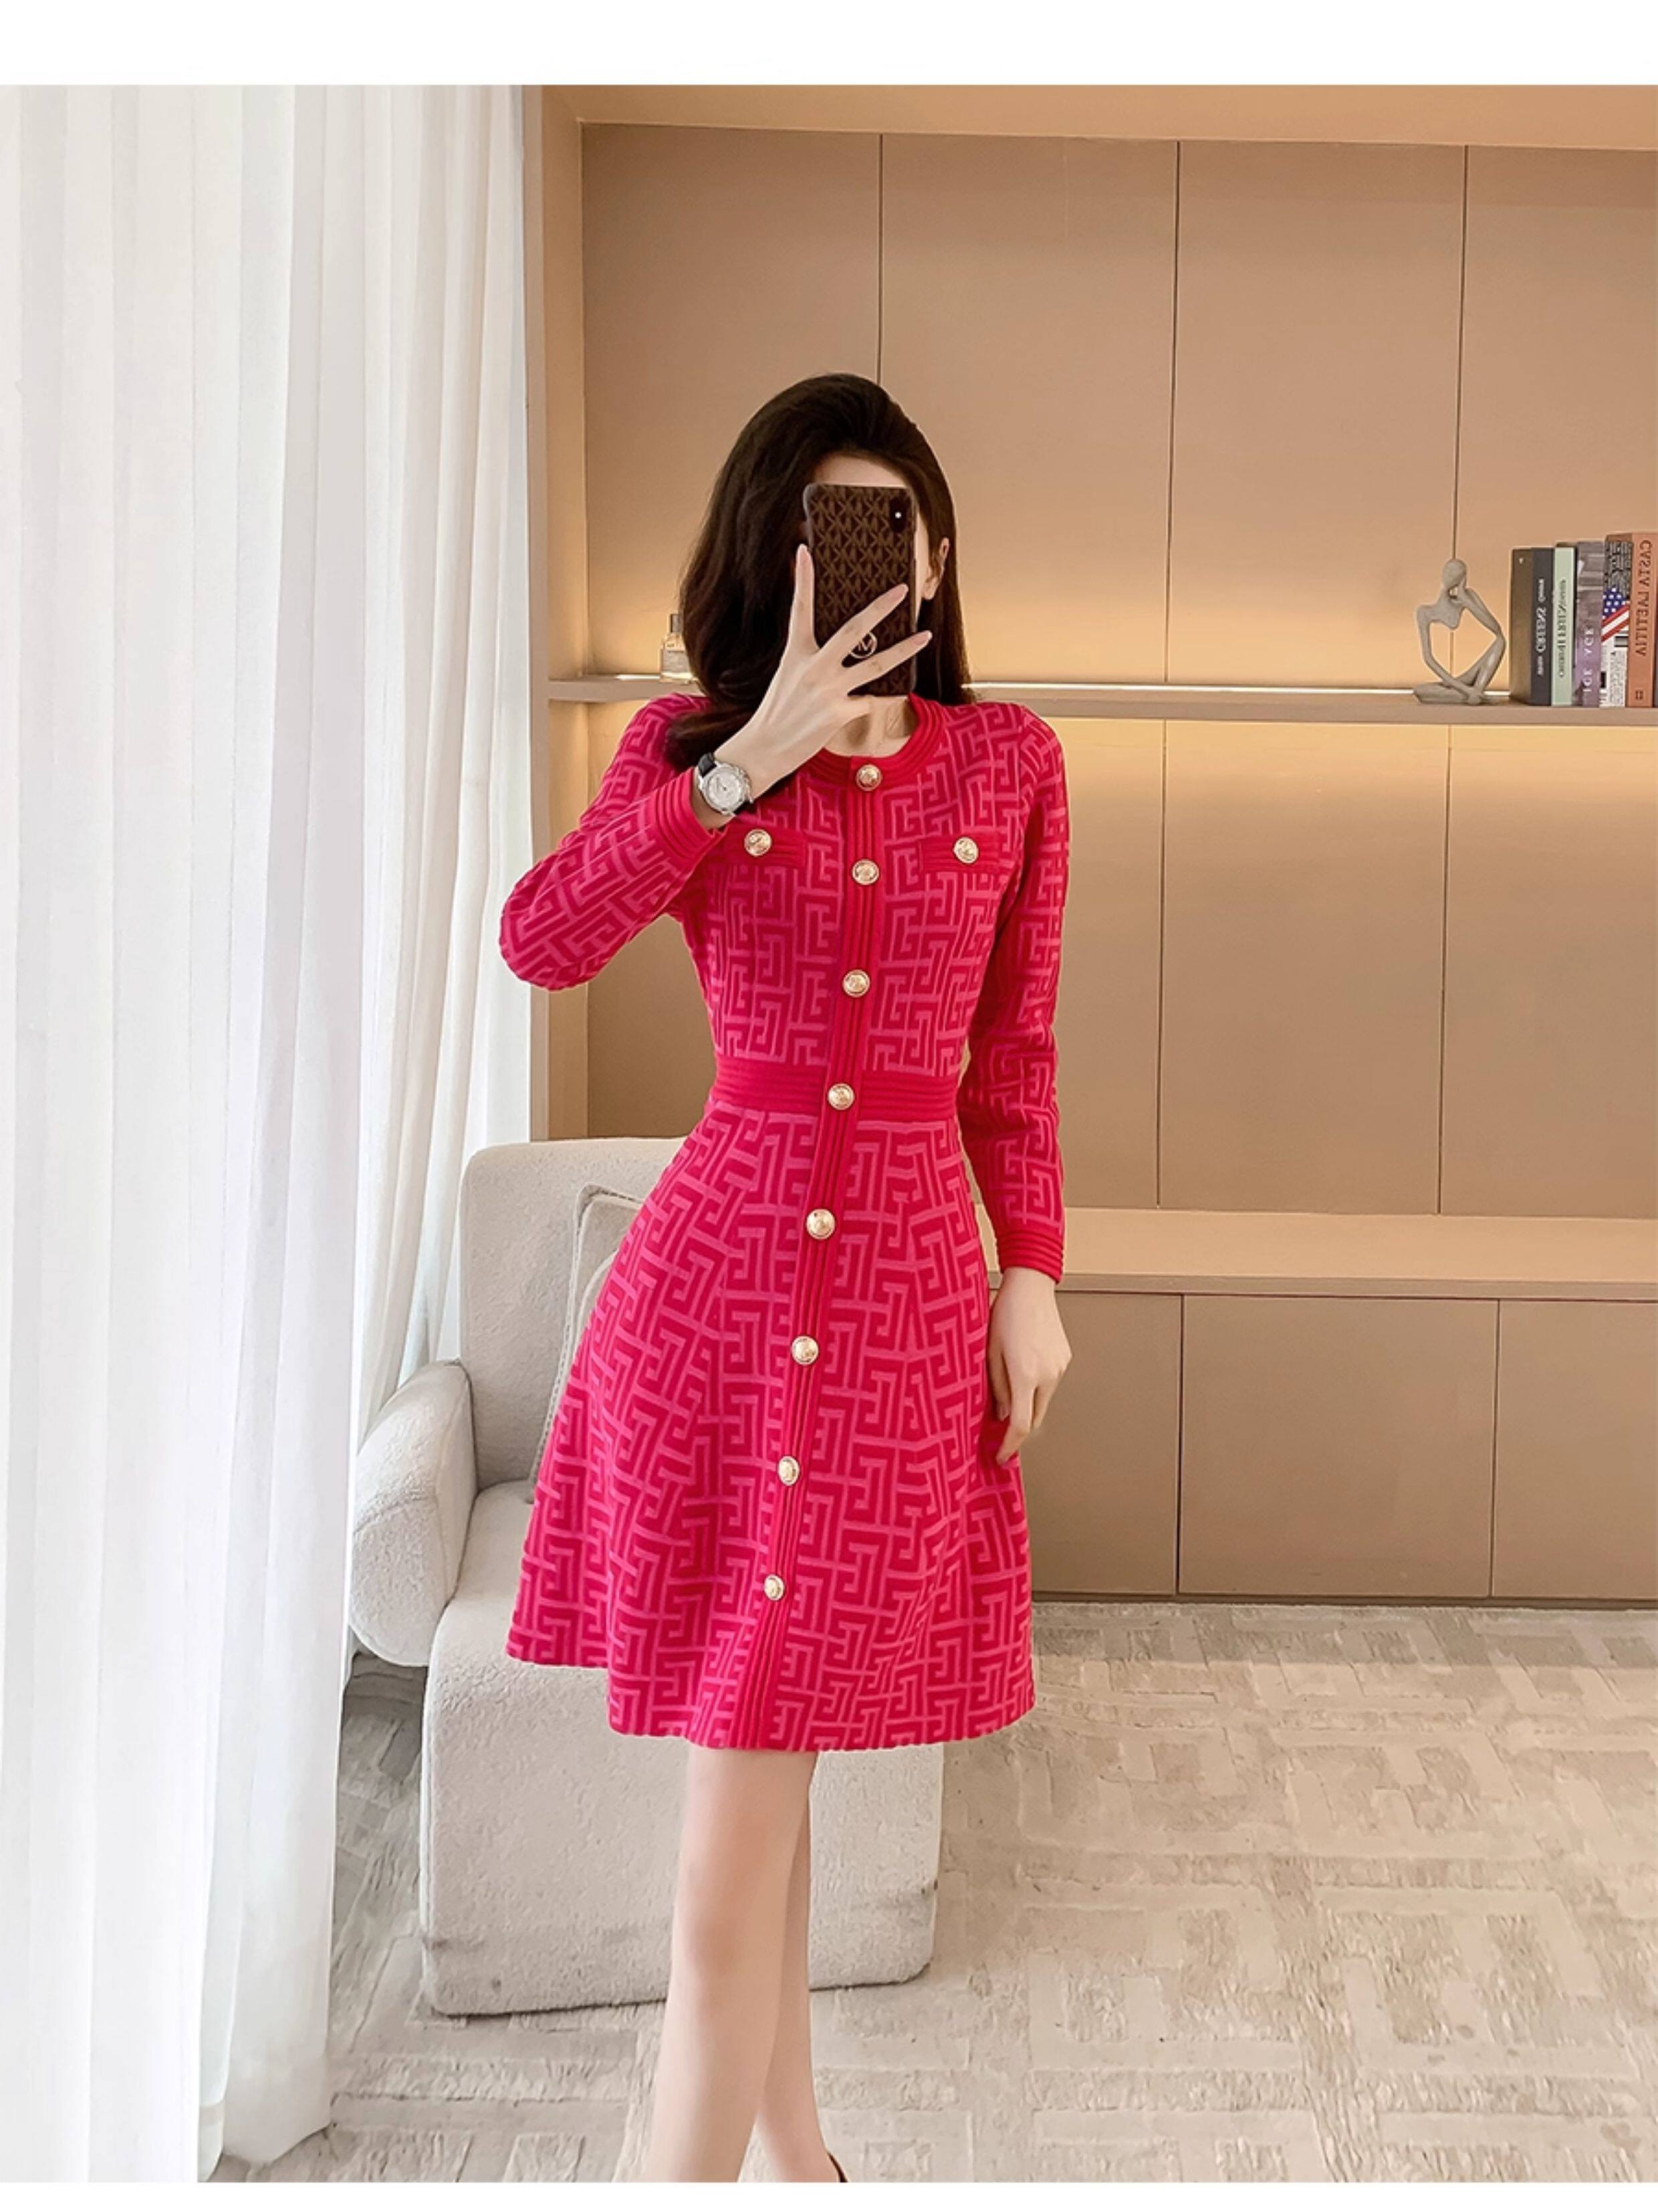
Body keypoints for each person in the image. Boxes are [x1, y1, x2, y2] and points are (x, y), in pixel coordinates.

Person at [499, 372, 1072, 2183]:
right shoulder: (688, 751)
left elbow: (1014, 1061)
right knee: (728, 1848)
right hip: (711, 1322)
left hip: (902, 1329)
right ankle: (762, 2173)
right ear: (780, 557)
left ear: (938, 557)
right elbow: (542, 939)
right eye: (834, 528)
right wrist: (748, 759)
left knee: (769, 1789)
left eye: (896, 524)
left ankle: (802, 2163)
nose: (872, 559)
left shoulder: (1012, 764)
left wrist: (1033, 1272)